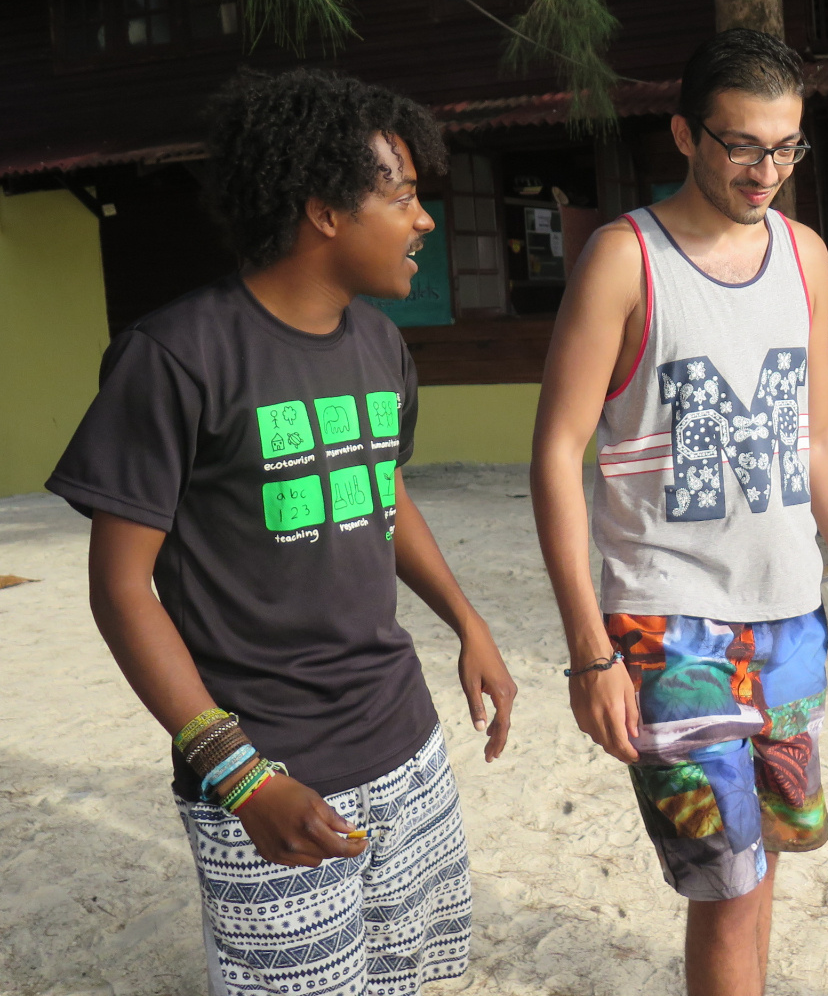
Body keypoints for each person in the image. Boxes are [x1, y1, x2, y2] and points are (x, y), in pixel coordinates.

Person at [47, 70, 518, 996]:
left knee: (403, 981)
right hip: (267, 769)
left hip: (404, 739)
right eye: (405, 195)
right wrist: (241, 777)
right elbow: (120, 590)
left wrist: (468, 622)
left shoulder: (381, 344)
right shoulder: (176, 356)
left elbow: (379, 491)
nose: (424, 220)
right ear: (325, 213)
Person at [531, 29, 828, 996]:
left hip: (790, 612)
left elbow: (818, 435)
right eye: (741, 145)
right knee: (723, 885)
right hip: (666, 623)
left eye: (786, 147)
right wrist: (588, 648)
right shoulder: (624, 259)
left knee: (766, 854)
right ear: (686, 134)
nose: (765, 170)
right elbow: (558, 453)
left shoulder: (803, 256)